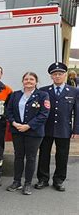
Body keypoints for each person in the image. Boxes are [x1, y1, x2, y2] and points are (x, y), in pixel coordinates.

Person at [36, 62, 79, 192]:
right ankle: (43, 179)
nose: (58, 76)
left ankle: (59, 180)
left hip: (64, 129)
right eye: (55, 74)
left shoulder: (73, 91)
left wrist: (76, 130)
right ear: (51, 77)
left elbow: (77, 112)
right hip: (46, 128)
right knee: (44, 154)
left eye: (60, 74)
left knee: (62, 156)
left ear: (65, 75)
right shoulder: (43, 91)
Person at [6, 72, 50, 195]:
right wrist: (14, 123)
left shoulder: (42, 95)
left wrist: (28, 126)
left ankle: (27, 184)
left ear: (36, 81)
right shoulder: (15, 95)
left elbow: (44, 114)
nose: (28, 81)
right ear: (22, 81)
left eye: (31, 79)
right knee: (18, 157)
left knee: (31, 158)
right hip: (17, 130)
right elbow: (8, 111)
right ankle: (16, 181)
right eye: (26, 79)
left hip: (34, 132)